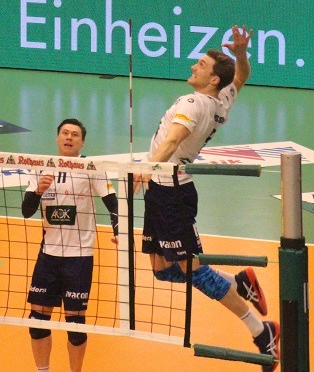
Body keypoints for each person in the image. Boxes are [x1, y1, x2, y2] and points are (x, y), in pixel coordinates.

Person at [133, 25, 280, 372]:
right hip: (160, 191)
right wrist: (241, 54)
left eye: (200, 65)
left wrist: (143, 168)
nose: (193, 67)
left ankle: (262, 332)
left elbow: (172, 140)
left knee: (194, 272)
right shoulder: (220, 100)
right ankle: (238, 282)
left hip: (172, 192)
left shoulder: (194, 103)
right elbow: (241, 76)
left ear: (213, 79)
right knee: (161, 271)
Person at [21, 118, 119, 372]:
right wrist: (37, 192)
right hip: (48, 256)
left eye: (75, 135)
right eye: (65, 133)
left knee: (75, 327)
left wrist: (119, 230)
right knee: (37, 323)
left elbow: (113, 203)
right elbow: (26, 211)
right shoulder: (41, 168)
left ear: (82, 142)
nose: (69, 137)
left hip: (79, 257)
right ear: (57, 138)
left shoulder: (91, 167)